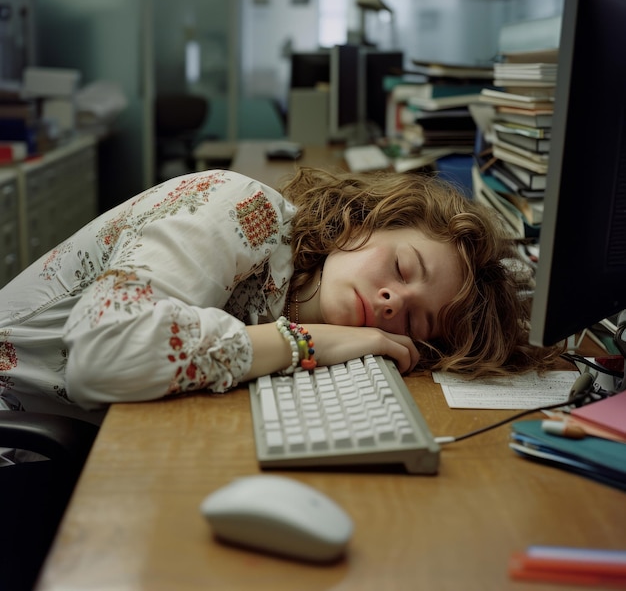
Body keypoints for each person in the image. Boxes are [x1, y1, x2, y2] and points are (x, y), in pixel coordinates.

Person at [0, 166, 560, 426]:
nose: (392, 300)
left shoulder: (289, 293)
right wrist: (308, 343)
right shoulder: (241, 206)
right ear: (361, 221)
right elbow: (103, 358)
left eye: (416, 319)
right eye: (399, 266)